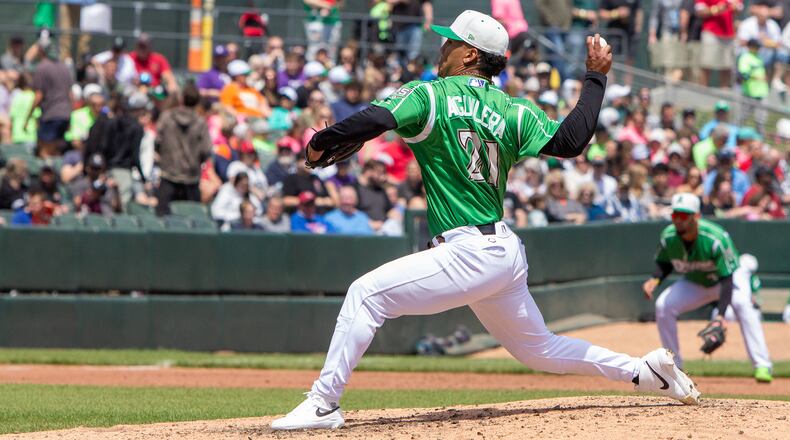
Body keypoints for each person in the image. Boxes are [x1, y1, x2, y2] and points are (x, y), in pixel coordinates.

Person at [271, 10, 699, 431]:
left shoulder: (431, 94)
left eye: (452, 41)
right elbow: (572, 141)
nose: (443, 46)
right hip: (503, 251)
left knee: (365, 295)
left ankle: (324, 405)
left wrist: (321, 142)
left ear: (471, 55)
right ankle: (645, 372)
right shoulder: (514, 110)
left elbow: (378, 118)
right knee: (539, 350)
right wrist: (595, 78)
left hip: (469, 251)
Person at [642, 193, 773, 383]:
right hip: (696, 282)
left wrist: (720, 316)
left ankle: (762, 365)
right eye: (675, 215)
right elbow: (665, 262)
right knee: (663, 305)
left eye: (683, 215)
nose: (678, 220)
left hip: (727, 281)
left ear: (696, 216)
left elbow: (727, 280)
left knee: (744, 305)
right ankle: (675, 368)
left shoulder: (715, 238)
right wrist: (655, 280)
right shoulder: (669, 237)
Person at [155, 84, 213, 216]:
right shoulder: (200, 123)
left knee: (162, 222)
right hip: (191, 180)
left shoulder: (166, 117)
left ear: (181, 99)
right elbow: (206, 151)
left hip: (168, 176)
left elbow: (157, 142)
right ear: (197, 101)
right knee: (191, 224)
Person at [696, 0, 742, 88]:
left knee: (726, 67)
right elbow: (700, 12)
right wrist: (716, 9)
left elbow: (738, 9)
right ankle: (702, 92)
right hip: (711, 32)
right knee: (706, 65)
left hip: (729, 35)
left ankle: (723, 97)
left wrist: (735, 8)